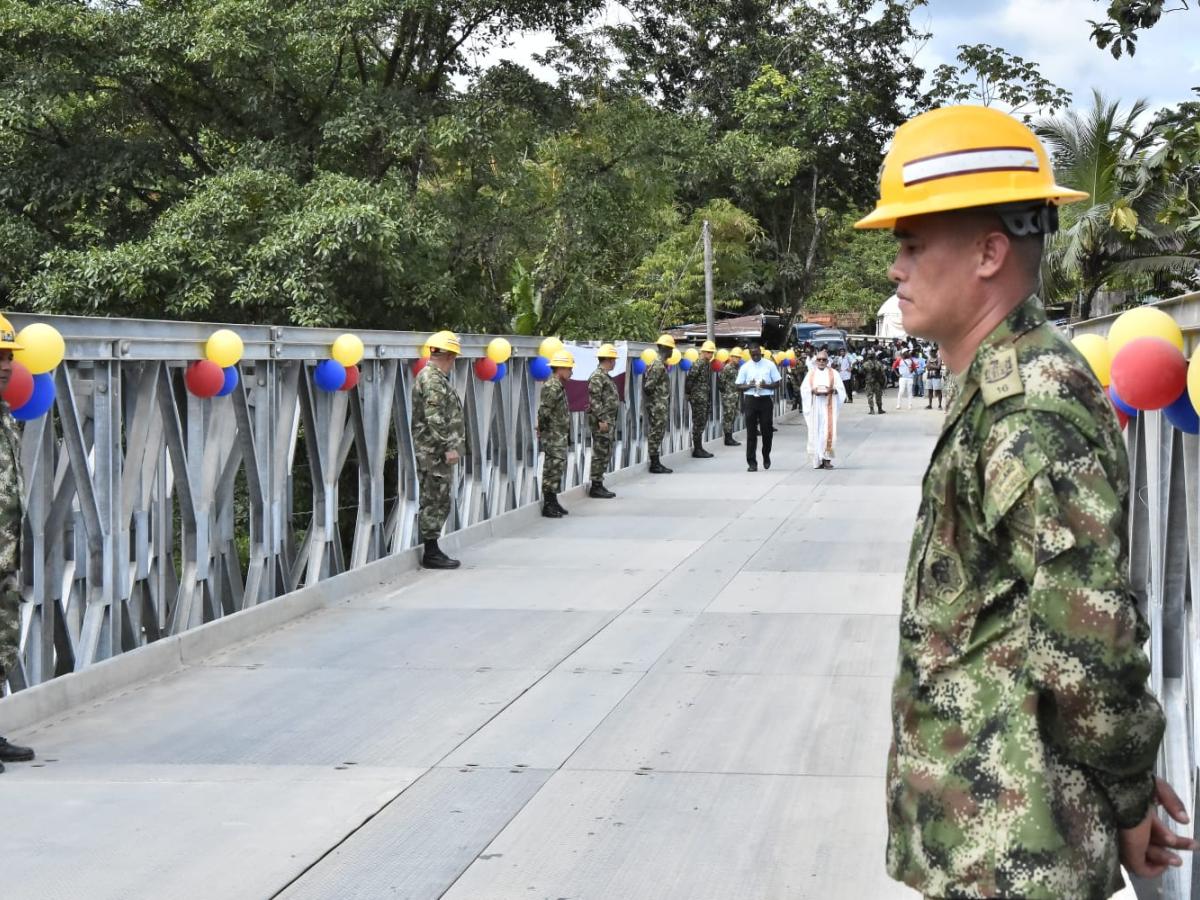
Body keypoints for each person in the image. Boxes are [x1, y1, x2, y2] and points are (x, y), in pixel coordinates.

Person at [856, 104, 1194, 898]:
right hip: (985, 832)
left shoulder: (1030, 407)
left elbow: (1088, 641)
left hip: (1015, 851)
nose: (895, 269)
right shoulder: (997, 386)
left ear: (988, 252)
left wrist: (1130, 797)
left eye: (910, 246)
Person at [0, 314, 35, 771]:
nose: (6, 366)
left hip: (5, 559)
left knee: (3, 647)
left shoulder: (6, 418)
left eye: (8, 356)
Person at [412, 330, 466, 569]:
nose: (454, 362)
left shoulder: (434, 378)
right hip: (433, 453)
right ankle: (431, 553)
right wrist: (447, 447)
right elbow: (434, 417)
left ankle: (432, 549)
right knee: (435, 498)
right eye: (454, 357)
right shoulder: (432, 380)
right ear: (449, 356)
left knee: (438, 498)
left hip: (434, 451)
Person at [538, 349, 574, 518]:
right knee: (552, 468)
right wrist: (543, 430)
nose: (571, 372)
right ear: (560, 368)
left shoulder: (558, 385)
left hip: (559, 434)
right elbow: (544, 411)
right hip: (553, 435)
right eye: (568, 368)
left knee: (558, 467)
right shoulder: (552, 386)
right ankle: (548, 503)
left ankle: (553, 500)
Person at [734, 343, 780, 472]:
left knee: (767, 431)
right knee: (751, 433)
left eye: (757, 354)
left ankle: (766, 455)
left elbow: (777, 384)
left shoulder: (769, 365)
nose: (755, 357)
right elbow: (738, 386)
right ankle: (752, 462)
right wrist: (750, 385)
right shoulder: (745, 367)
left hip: (765, 400)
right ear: (749, 354)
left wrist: (766, 386)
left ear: (761, 353)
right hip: (750, 401)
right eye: (753, 355)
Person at [799, 350, 846, 468]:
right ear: (816, 361)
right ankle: (817, 460)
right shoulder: (811, 373)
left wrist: (833, 391)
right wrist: (812, 391)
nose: (821, 362)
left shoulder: (834, 373)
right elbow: (804, 389)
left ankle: (827, 459)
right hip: (815, 406)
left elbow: (841, 390)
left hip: (828, 406)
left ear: (827, 361)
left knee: (828, 432)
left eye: (824, 360)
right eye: (819, 360)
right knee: (815, 431)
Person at [587, 343, 619, 498]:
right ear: (608, 359)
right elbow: (595, 400)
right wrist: (602, 419)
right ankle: (596, 485)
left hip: (608, 420)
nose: (615, 362)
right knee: (600, 452)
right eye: (613, 359)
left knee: (605, 451)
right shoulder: (598, 377)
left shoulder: (604, 376)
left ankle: (599, 482)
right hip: (602, 421)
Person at [643, 334, 676, 474]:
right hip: (657, 405)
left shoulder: (660, 365)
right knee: (656, 432)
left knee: (658, 432)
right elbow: (648, 387)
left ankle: (656, 461)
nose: (673, 351)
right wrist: (657, 401)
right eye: (671, 348)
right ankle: (654, 463)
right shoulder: (657, 366)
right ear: (666, 349)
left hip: (660, 404)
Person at [685, 340, 716, 459]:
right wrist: (689, 393)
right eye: (708, 352)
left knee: (702, 421)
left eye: (712, 352)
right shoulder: (698, 363)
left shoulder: (706, 364)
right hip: (698, 397)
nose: (710, 355)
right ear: (703, 352)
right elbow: (690, 379)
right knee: (698, 422)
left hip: (704, 396)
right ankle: (697, 449)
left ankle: (699, 447)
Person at [719, 347, 743, 445]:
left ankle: (730, 437)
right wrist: (726, 393)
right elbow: (721, 382)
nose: (737, 359)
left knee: (733, 415)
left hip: (736, 395)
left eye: (739, 357)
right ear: (731, 357)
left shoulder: (738, 368)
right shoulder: (727, 367)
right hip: (729, 396)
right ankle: (728, 438)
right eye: (735, 357)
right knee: (728, 416)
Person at [861, 351, 888, 415]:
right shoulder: (879, 363)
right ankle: (880, 409)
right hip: (877, 382)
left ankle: (872, 410)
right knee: (878, 396)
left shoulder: (865, 364)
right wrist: (884, 382)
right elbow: (883, 373)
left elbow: (861, 372)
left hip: (869, 382)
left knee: (870, 396)